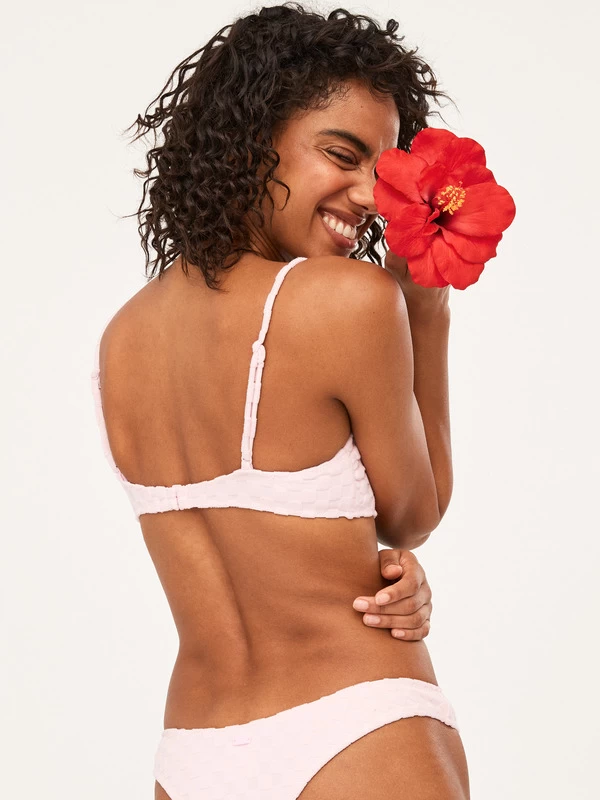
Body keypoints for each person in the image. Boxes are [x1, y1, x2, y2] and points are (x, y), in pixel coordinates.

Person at [91, 4, 470, 798]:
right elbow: (413, 514)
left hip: (194, 749)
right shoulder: (348, 299)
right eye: (343, 154)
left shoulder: (122, 337)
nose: (369, 195)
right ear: (250, 136)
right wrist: (425, 305)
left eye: (382, 170)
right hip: (358, 719)